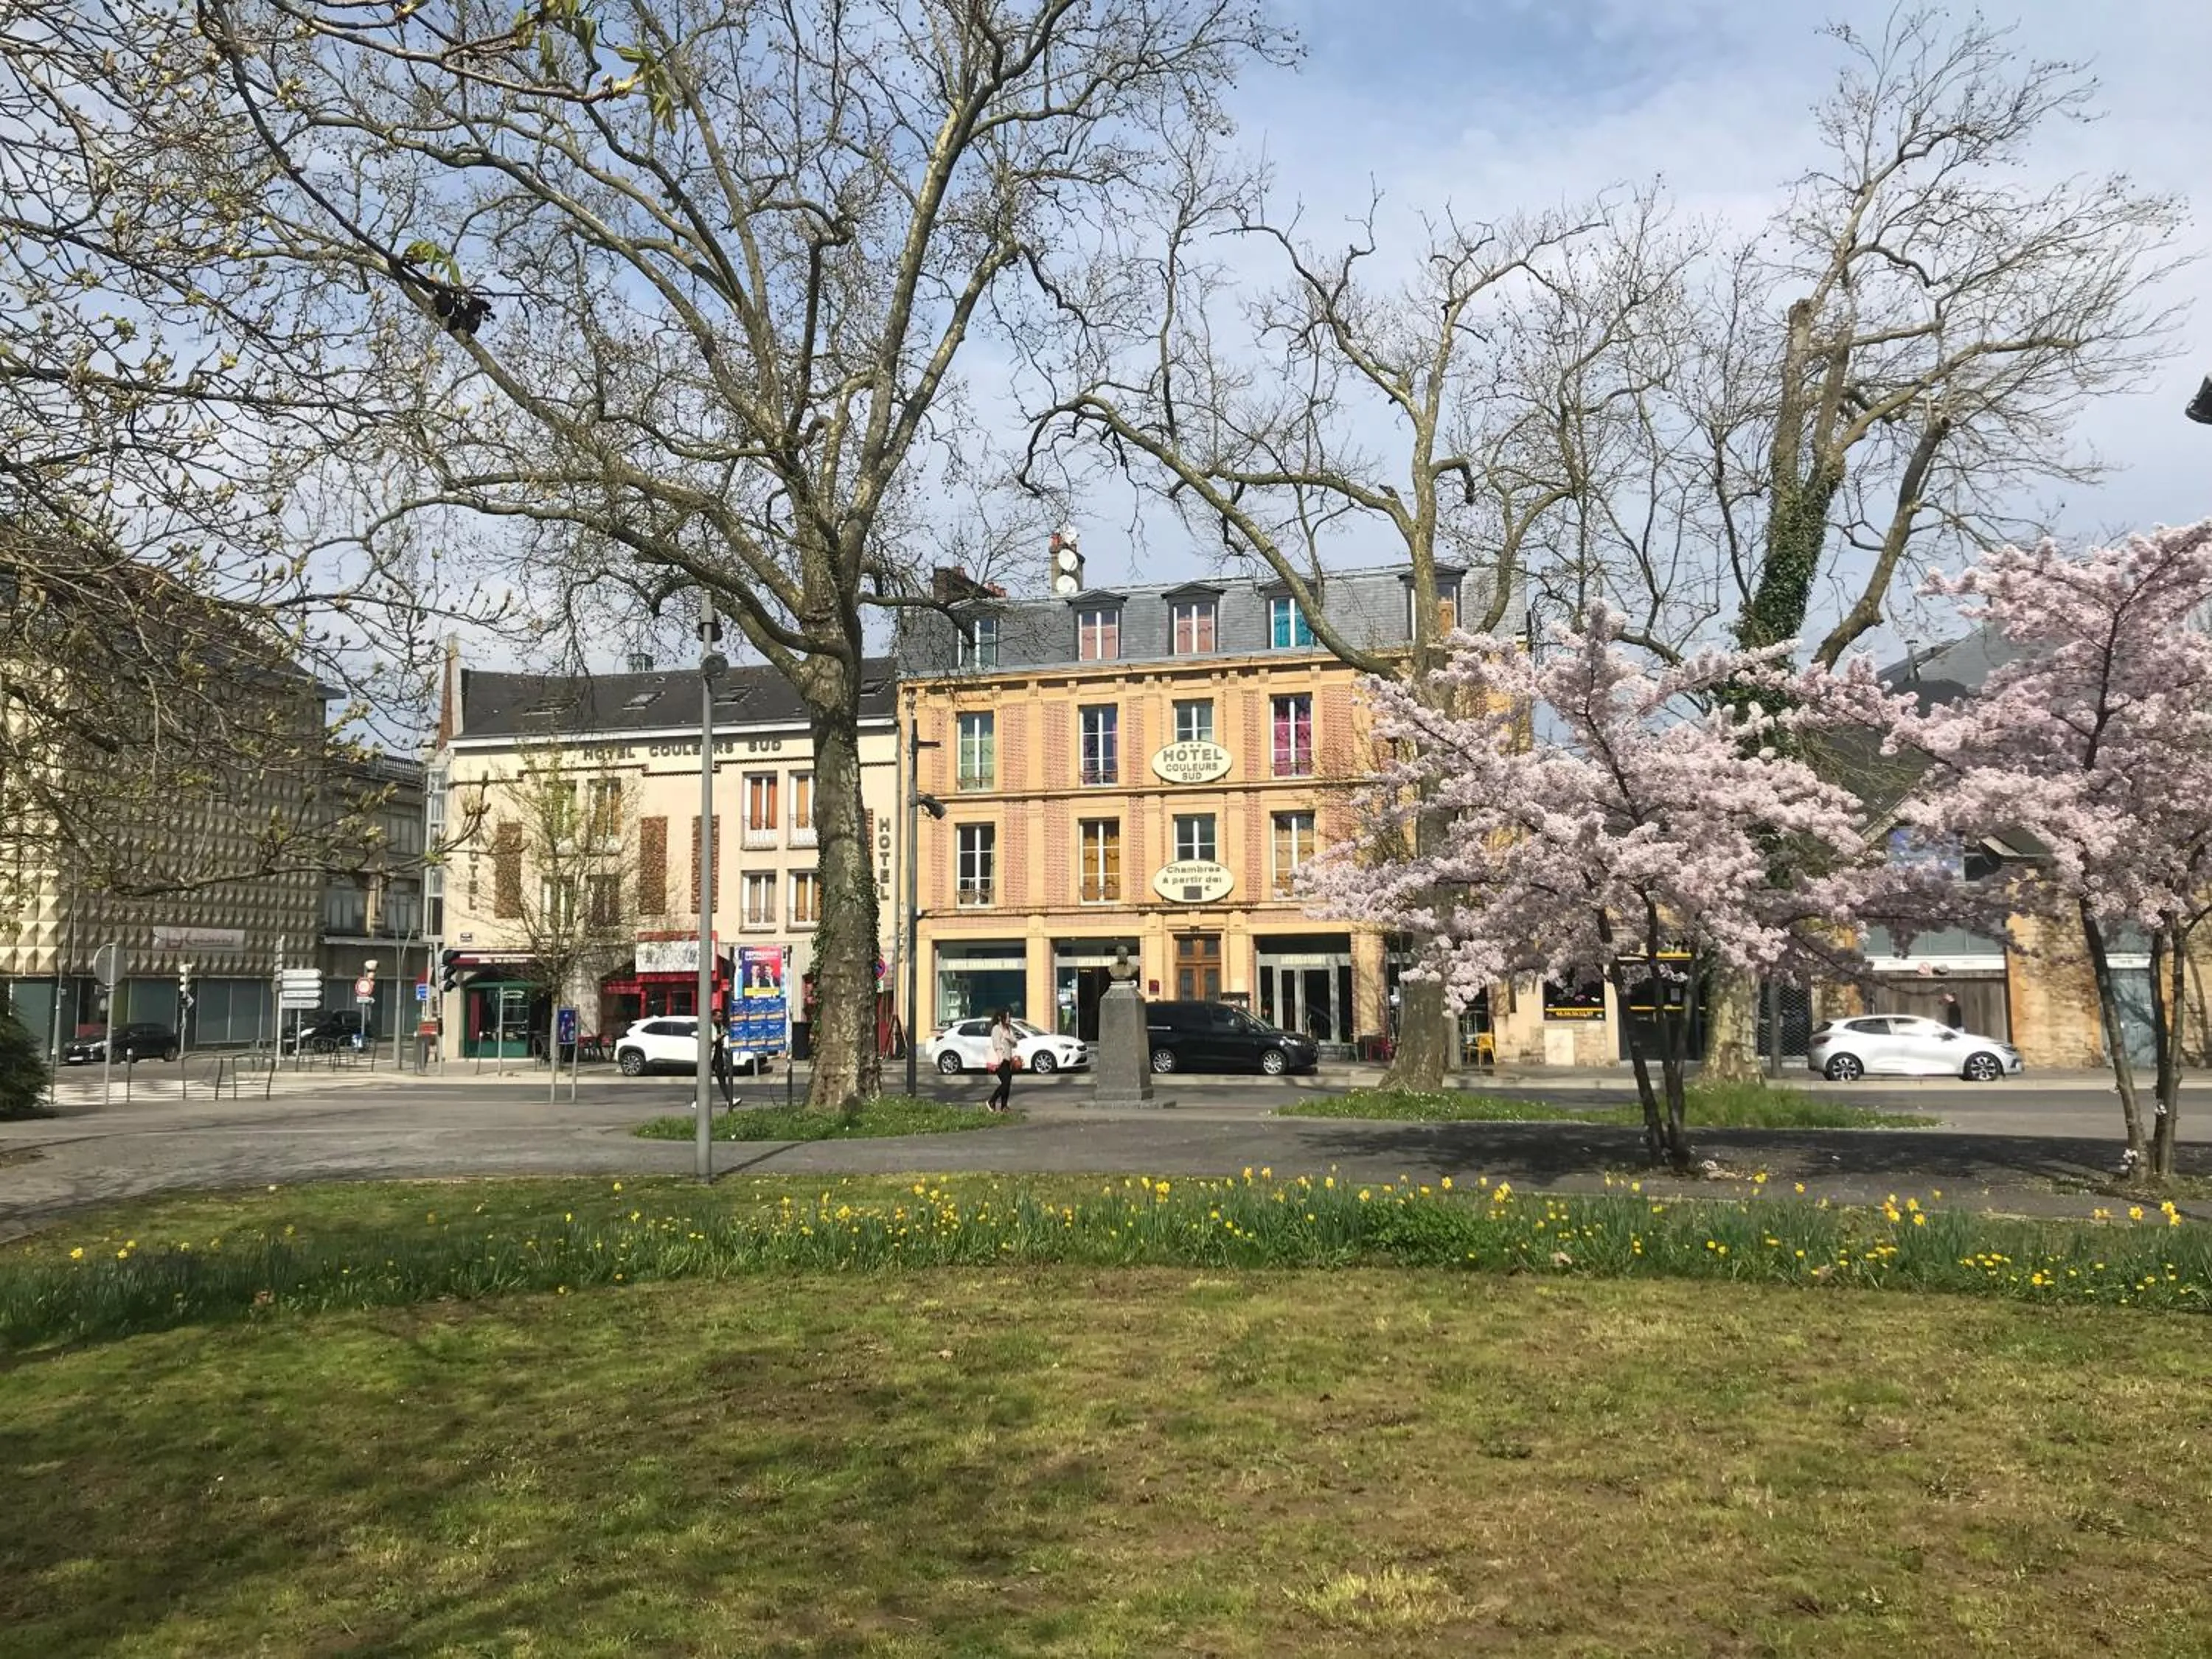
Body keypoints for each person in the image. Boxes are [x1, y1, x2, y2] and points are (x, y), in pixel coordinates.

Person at [987, 1008, 1018, 1113]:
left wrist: (1009, 1038)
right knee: (1005, 1082)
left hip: (1008, 1060)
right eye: (1007, 1017)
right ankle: (991, 1101)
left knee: (1008, 1083)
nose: (1009, 1019)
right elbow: (996, 1044)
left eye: (1010, 1017)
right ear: (1001, 1018)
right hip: (1000, 1060)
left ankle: (1004, 1106)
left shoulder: (1008, 1029)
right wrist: (1000, 1057)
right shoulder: (996, 1029)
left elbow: (1015, 1043)